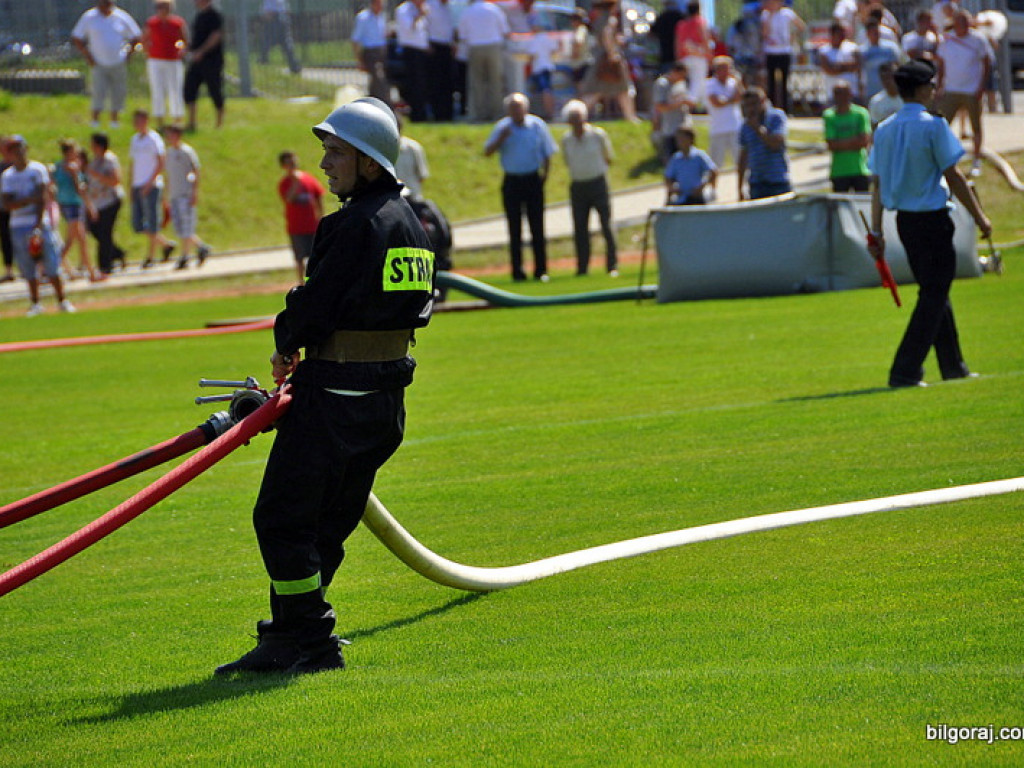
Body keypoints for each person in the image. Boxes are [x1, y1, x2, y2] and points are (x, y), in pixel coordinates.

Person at [215, 97, 434, 677]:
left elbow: (313, 307)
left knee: (283, 519)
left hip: (333, 397)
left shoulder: (350, 225)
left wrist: (286, 340)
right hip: (384, 403)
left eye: (336, 152)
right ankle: (293, 637)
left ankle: (307, 638)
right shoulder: (413, 224)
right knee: (323, 528)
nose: (326, 161)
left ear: (368, 162)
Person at [867, 59, 991, 388]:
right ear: (923, 89)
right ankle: (905, 370)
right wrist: (980, 216)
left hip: (905, 223)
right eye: (932, 86)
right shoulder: (934, 126)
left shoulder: (884, 128)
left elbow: (877, 184)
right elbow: (954, 175)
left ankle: (953, 366)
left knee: (935, 293)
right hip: (934, 221)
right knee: (934, 295)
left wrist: (876, 230)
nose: (935, 91)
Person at [484, 92, 558, 282]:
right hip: (512, 181)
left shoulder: (537, 125)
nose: (516, 112)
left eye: (519, 108)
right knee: (514, 228)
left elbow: (548, 153)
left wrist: (545, 176)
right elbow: (487, 152)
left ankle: (541, 270)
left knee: (537, 227)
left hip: (533, 179)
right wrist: (501, 138)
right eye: (512, 109)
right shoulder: (502, 128)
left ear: (526, 108)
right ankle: (517, 271)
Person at [0, 136, 75, 316]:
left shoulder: (37, 169)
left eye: (20, 148)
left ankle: (62, 299)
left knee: (51, 262)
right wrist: (28, 200)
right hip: (18, 224)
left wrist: (38, 223)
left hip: (39, 223)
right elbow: (7, 204)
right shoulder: (8, 176)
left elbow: (42, 197)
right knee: (27, 267)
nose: (18, 152)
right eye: (14, 149)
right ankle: (35, 302)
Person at [560, 99, 617, 277]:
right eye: (572, 119)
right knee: (580, 228)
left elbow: (608, 158)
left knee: (606, 225)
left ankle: (612, 265)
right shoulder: (566, 140)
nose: (576, 123)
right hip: (578, 186)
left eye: (579, 118)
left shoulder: (598, 135)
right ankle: (582, 267)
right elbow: (567, 162)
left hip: (598, 183)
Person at [935, 9, 994, 177]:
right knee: (942, 125)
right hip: (951, 89)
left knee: (976, 126)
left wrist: (981, 86)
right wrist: (940, 87)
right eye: (961, 23)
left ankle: (976, 160)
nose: (965, 26)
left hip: (971, 90)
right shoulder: (946, 40)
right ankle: (943, 159)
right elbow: (941, 65)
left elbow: (987, 62)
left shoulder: (978, 39)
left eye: (967, 23)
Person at [71, 0, 142, 129]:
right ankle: (95, 120)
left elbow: (136, 36)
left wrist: (129, 54)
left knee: (118, 92)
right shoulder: (89, 17)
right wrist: (87, 55)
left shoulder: (121, 16)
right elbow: (77, 37)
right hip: (98, 62)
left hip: (118, 61)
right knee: (98, 91)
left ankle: (114, 120)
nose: (105, 5)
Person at [129, 109, 177, 269]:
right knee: (137, 224)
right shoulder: (135, 140)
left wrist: (150, 183)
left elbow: (160, 162)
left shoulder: (154, 139)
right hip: (137, 184)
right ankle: (165, 244)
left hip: (151, 185)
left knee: (151, 221)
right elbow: (133, 163)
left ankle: (150, 256)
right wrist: (131, 185)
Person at [579, 0, 639, 123]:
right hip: (609, 59)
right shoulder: (610, 19)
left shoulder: (598, 20)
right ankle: (630, 117)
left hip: (600, 58)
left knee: (596, 92)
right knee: (624, 90)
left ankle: (578, 116)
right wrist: (612, 53)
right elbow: (607, 34)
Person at [163, 124, 211, 270]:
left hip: (185, 193)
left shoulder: (187, 152)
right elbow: (168, 175)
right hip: (174, 194)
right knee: (179, 227)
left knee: (186, 226)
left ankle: (184, 256)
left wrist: (194, 192)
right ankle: (201, 247)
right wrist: (165, 195)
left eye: (171, 134)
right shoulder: (169, 153)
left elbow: (195, 171)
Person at [52, 139, 101, 282]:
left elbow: (54, 186)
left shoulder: (57, 167)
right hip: (74, 204)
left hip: (65, 204)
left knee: (82, 239)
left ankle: (91, 272)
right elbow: (79, 189)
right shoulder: (72, 168)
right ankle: (51, 266)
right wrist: (90, 206)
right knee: (71, 239)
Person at [277, 150, 326, 285]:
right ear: (283, 166)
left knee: (315, 256)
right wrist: (296, 183)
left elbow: (318, 195)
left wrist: (321, 216)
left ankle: (316, 280)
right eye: (289, 162)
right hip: (296, 227)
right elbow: (289, 199)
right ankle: (301, 283)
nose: (293, 163)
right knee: (299, 258)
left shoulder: (309, 178)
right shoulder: (284, 183)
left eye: (293, 160)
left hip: (312, 225)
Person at [457, 0, 509, 123]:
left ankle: (480, 113)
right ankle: (497, 112)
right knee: (495, 80)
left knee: (477, 82)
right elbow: (505, 30)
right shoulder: (494, 9)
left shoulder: (467, 11)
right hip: (494, 46)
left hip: (475, 46)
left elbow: (462, 35)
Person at [83, 132, 127, 275]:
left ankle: (105, 265)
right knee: (94, 230)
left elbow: (115, 180)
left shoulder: (109, 160)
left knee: (105, 232)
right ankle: (116, 253)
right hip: (98, 202)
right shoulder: (94, 160)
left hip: (111, 200)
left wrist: (96, 175)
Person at [737, 86, 791, 200]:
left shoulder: (776, 117)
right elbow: (743, 156)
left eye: (754, 104)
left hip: (777, 181)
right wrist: (740, 187)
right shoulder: (745, 126)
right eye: (748, 105)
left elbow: (775, 144)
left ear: (763, 101)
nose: (751, 109)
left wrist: (757, 127)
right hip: (757, 183)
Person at [142, 0, 188, 127]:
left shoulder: (177, 23)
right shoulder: (152, 23)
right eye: (161, 7)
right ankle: (159, 119)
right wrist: (148, 52)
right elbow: (145, 39)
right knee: (157, 88)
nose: (163, 10)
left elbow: (183, 40)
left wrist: (181, 50)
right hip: (156, 60)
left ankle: (177, 119)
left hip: (173, 60)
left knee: (175, 89)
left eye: (166, 7)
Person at [184, 0, 226, 132]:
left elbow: (216, 36)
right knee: (189, 88)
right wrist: (188, 50)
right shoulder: (199, 15)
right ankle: (191, 122)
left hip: (211, 60)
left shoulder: (214, 15)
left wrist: (201, 51)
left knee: (214, 89)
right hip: (196, 60)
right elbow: (197, 37)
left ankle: (219, 123)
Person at [823, 81, 871, 193]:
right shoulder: (829, 116)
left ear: (850, 94)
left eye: (844, 93)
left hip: (859, 169)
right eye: (837, 93)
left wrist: (840, 143)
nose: (841, 97)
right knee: (839, 208)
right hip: (839, 171)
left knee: (863, 207)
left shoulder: (861, 113)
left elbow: (864, 142)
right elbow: (831, 144)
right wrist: (854, 141)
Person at [760, 0, 806, 114]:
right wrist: (770, 16)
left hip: (784, 50)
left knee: (785, 82)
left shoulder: (787, 13)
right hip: (771, 51)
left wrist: (793, 36)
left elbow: (801, 26)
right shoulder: (765, 15)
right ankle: (771, 109)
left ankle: (785, 109)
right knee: (771, 82)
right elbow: (765, 33)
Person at [650, 61, 695, 165]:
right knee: (672, 161)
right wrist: (679, 103)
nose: (682, 78)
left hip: (684, 127)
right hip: (669, 129)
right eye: (681, 75)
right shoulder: (662, 84)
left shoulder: (681, 84)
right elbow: (660, 106)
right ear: (674, 72)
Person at [396, 0, 432, 122]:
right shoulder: (404, 10)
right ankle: (416, 115)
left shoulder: (422, 9)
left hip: (421, 50)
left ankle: (423, 113)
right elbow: (409, 28)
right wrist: (419, 14)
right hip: (411, 50)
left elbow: (423, 30)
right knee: (414, 83)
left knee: (422, 83)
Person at [674, 1, 713, 111]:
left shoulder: (681, 24)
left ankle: (703, 104)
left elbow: (677, 43)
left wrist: (678, 58)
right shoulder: (700, 22)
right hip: (698, 57)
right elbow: (705, 39)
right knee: (698, 81)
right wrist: (709, 55)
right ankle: (690, 104)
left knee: (688, 82)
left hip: (684, 56)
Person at [705, 55, 743, 169]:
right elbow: (716, 102)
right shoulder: (710, 84)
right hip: (718, 128)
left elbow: (740, 96)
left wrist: (738, 82)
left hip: (735, 127)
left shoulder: (733, 83)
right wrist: (731, 99)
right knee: (715, 164)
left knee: (740, 160)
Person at [351, 0, 391, 106]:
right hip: (370, 52)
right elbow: (355, 40)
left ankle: (371, 103)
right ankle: (388, 106)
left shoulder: (382, 17)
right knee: (380, 79)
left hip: (382, 51)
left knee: (375, 82)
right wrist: (359, 60)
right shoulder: (363, 18)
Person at [664, 126, 717, 204]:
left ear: (690, 139)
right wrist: (673, 189)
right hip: (682, 196)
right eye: (678, 139)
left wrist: (702, 186)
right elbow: (668, 177)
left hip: (697, 196)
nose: (679, 142)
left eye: (682, 139)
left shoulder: (699, 156)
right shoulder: (676, 158)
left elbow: (713, 171)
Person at [858, 20, 903, 103]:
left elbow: (898, 66)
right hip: (871, 91)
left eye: (877, 31)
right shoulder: (862, 51)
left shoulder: (890, 48)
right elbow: (859, 72)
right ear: (867, 34)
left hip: (890, 91)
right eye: (873, 32)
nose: (876, 34)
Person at [817, 21, 861, 103]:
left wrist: (837, 66)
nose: (842, 37)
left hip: (852, 93)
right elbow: (829, 70)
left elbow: (857, 66)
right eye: (839, 35)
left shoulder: (853, 47)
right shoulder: (824, 51)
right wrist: (848, 66)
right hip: (832, 95)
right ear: (832, 35)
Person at [426, 0, 456, 122]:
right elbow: (425, 26)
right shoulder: (430, 5)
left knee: (448, 82)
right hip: (434, 45)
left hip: (447, 46)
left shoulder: (450, 7)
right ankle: (437, 113)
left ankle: (448, 113)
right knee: (436, 82)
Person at [525, 22, 559, 120]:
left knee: (544, 91)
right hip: (548, 66)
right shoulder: (548, 38)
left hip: (539, 68)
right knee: (548, 90)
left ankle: (547, 113)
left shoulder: (535, 40)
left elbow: (532, 55)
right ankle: (550, 111)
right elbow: (554, 50)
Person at [260, 0, 301, 74]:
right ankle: (294, 66)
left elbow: (269, 10)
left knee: (269, 41)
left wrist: (267, 15)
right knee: (285, 42)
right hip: (280, 17)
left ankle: (263, 61)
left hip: (275, 17)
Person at [394, 118, 430, 202]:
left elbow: (422, 175)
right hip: (391, 201)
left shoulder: (413, 148)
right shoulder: (380, 151)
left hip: (413, 198)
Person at [650, 0, 686, 74]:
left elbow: (652, 33)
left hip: (665, 54)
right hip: (678, 55)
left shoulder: (661, 17)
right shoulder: (681, 17)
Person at [868, 61, 902, 129]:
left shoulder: (910, 97)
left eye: (891, 76)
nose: (889, 81)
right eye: (885, 78)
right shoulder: (876, 101)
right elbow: (874, 127)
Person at [0, 137, 15, 283]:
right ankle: (9, 270)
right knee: (5, 239)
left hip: (19, 209)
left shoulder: (18, 166)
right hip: (3, 208)